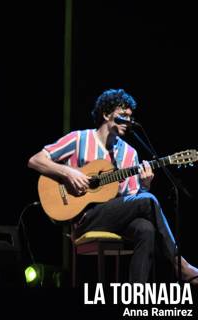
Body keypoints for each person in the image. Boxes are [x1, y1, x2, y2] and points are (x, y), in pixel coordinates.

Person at [28, 88, 198, 285]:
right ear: (106, 114)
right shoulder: (79, 139)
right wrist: (69, 172)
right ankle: (181, 265)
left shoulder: (129, 154)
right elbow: (36, 160)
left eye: (130, 116)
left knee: (146, 228)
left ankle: (136, 296)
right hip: (83, 218)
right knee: (149, 201)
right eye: (123, 115)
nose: (129, 121)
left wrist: (144, 185)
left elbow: (134, 201)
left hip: (114, 217)